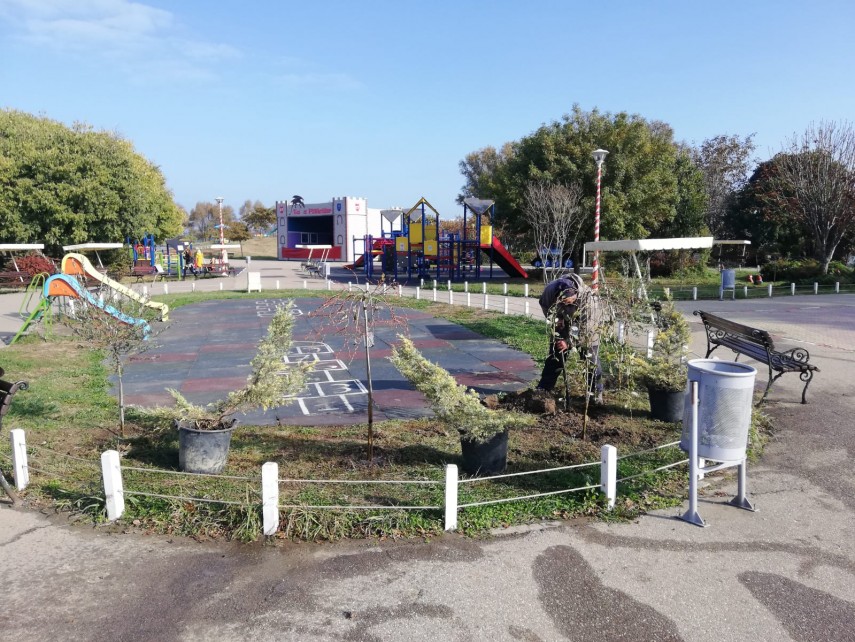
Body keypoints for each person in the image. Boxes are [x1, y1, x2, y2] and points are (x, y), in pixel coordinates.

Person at [536, 273, 603, 402]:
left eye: (568, 302)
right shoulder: (550, 290)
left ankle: (595, 393)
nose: (564, 304)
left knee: (590, 359)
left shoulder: (590, 301)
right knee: (555, 356)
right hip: (563, 321)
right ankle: (544, 389)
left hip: (587, 326)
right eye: (561, 301)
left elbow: (586, 329)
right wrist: (556, 320)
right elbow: (545, 305)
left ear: (575, 295)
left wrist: (569, 342)